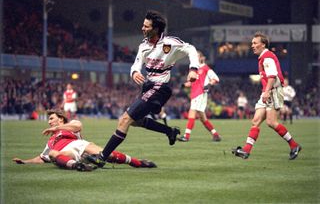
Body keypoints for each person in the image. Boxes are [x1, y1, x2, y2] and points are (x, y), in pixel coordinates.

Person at [87, 10, 199, 167]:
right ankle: (170, 131)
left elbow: (191, 49)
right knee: (135, 121)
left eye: (146, 26)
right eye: (143, 25)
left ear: (156, 29)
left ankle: (102, 158)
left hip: (161, 88)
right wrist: (134, 72)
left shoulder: (170, 43)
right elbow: (136, 63)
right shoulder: (143, 46)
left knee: (125, 119)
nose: (142, 28)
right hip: (148, 86)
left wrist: (193, 69)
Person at [12, 109, 157, 171]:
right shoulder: (50, 141)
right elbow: (42, 158)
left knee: (108, 155)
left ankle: (139, 163)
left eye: (52, 118)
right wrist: (25, 161)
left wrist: (57, 129)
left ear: (60, 119)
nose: (49, 122)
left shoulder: (69, 125)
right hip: (65, 153)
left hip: (80, 145)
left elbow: (78, 126)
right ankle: (78, 166)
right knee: (52, 154)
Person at [232, 32, 302, 160]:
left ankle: (294, 145)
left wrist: (267, 91)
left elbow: (272, 76)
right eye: (252, 43)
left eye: (255, 43)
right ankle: (246, 150)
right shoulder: (263, 57)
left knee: (271, 122)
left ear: (263, 45)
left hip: (273, 91)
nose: (252, 45)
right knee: (256, 121)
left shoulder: (267, 57)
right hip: (267, 91)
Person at [177, 50, 221, 142]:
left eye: (197, 56)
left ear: (201, 58)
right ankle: (216, 135)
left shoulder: (205, 68)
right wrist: (183, 85)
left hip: (200, 93)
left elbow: (216, 78)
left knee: (191, 113)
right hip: (195, 94)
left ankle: (186, 136)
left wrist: (208, 84)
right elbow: (190, 83)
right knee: (202, 118)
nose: (195, 58)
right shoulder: (193, 69)